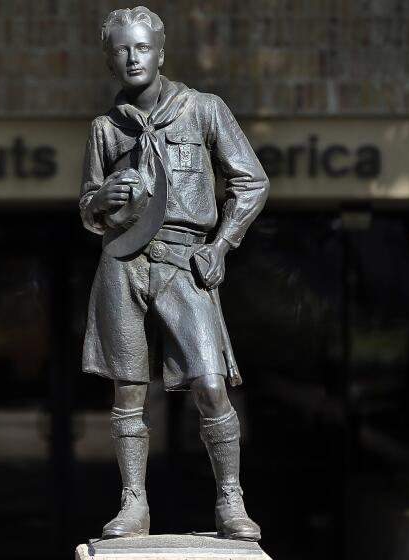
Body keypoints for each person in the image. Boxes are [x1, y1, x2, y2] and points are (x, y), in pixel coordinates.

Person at [79, 7, 270, 541]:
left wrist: (222, 245)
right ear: (109, 59)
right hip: (122, 261)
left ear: (161, 53)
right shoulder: (105, 129)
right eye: (121, 49)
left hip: (184, 260)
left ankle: (231, 497)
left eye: (142, 47)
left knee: (210, 385)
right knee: (128, 390)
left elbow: (250, 182)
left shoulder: (203, 110)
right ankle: (132, 500)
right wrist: (102, 199)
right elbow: (87, 210)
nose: (133, 57)